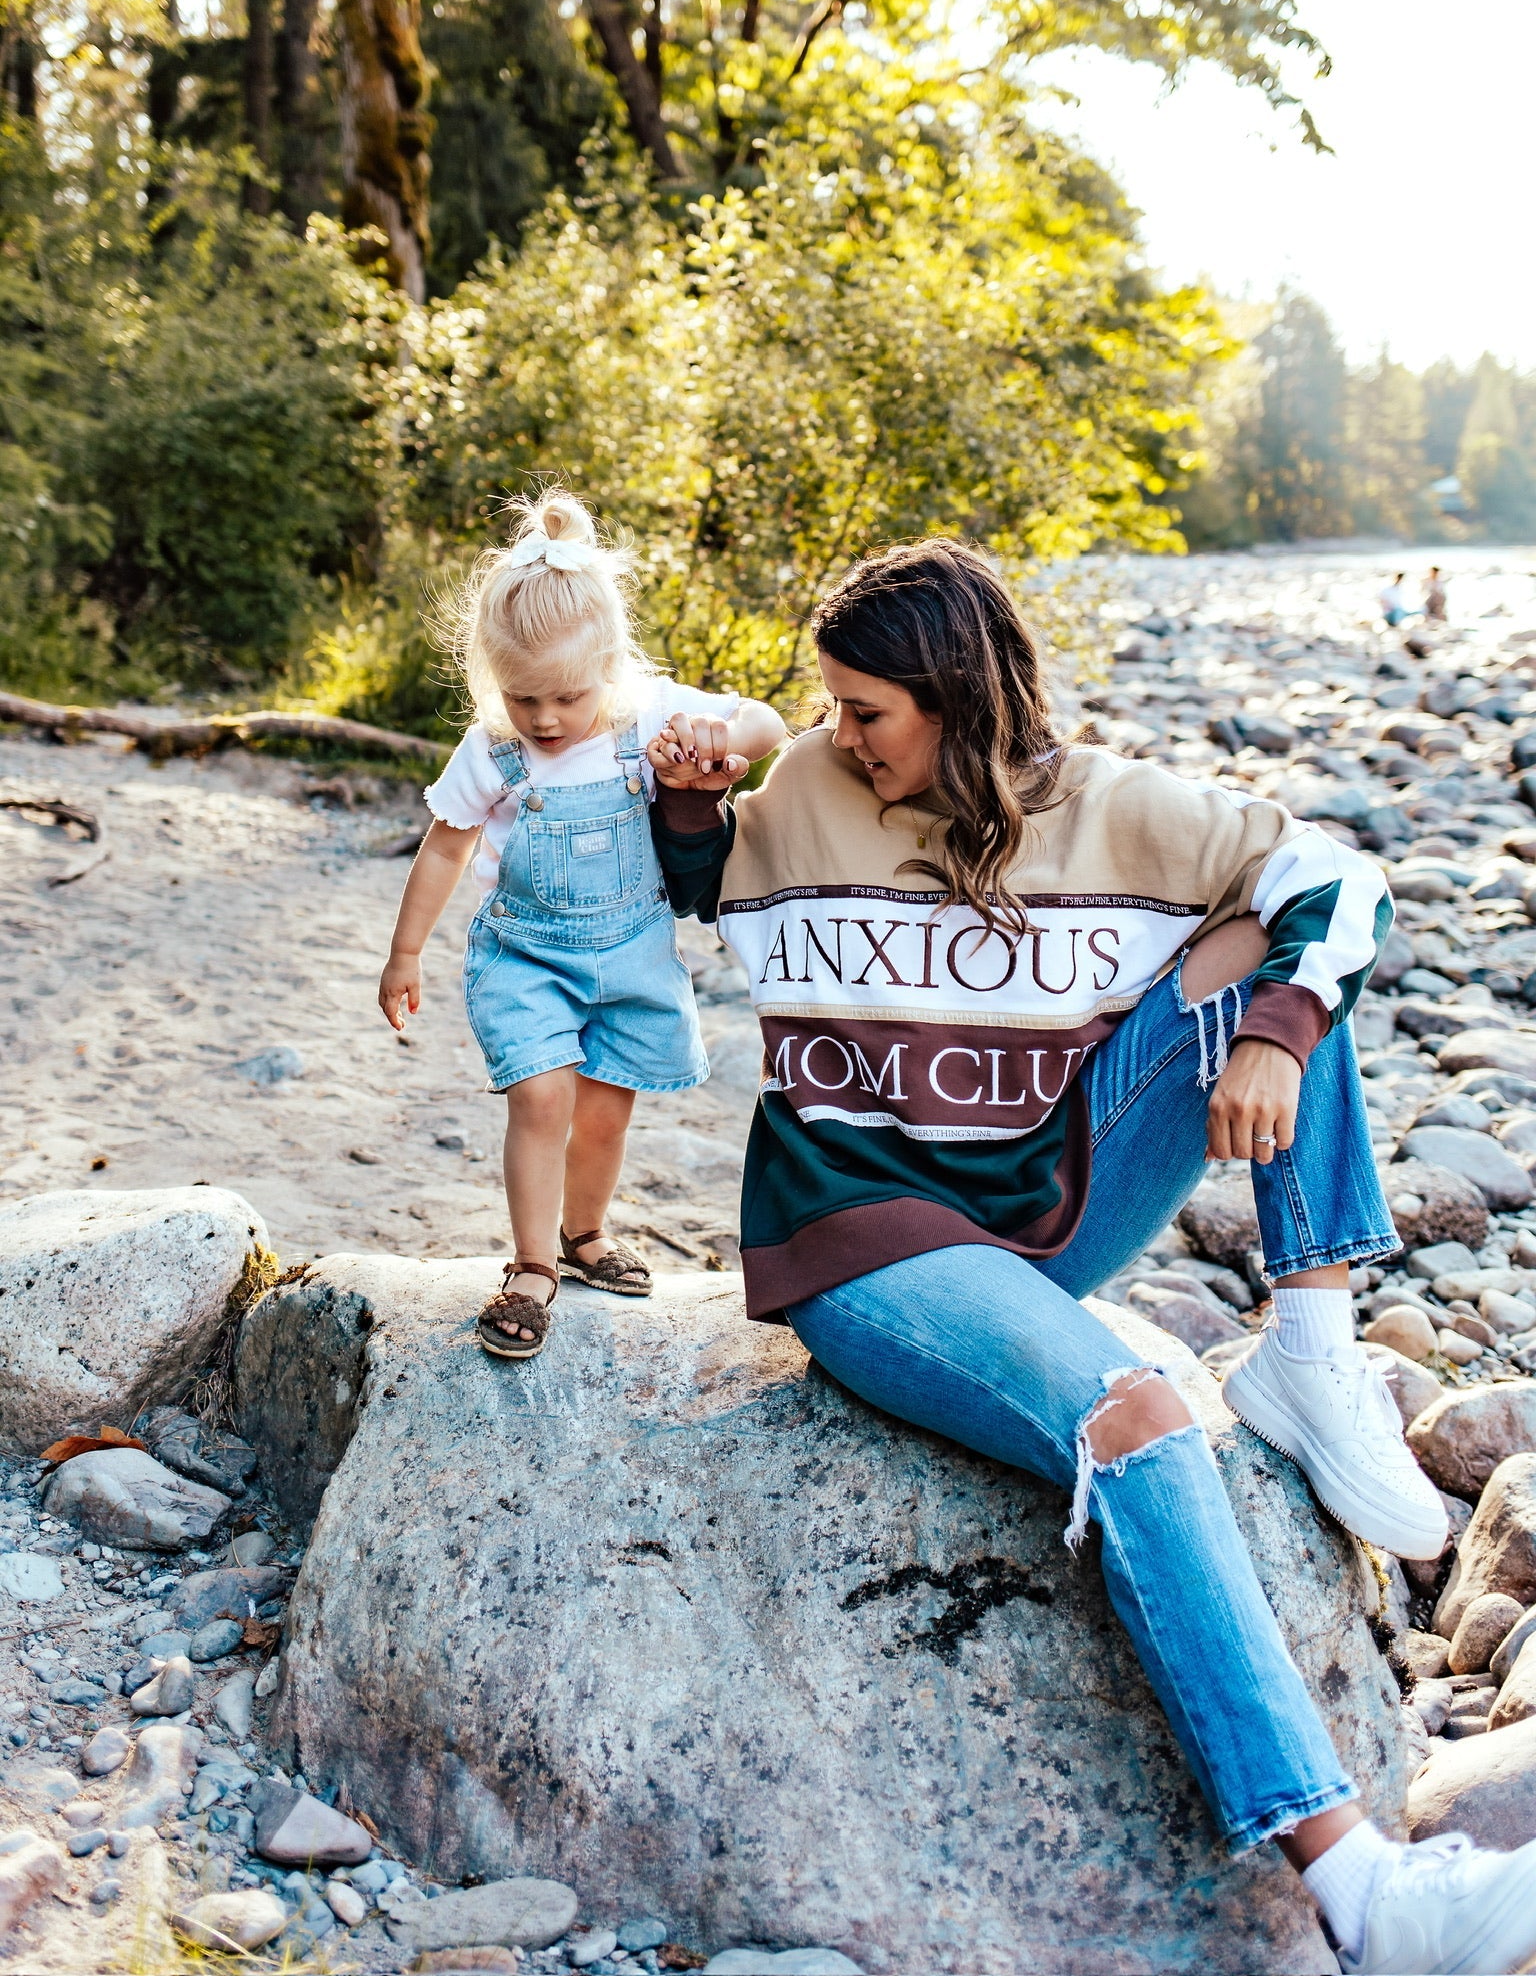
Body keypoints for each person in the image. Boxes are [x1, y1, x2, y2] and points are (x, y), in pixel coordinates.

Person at [646, 539, 1536, 1976]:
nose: (840, 733)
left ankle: (1310, 1353)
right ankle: (1364, 1887)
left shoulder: (1113, 806)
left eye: (868, 710)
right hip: (868, 1242)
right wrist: (703, 775)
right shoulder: (811, 784)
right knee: (1135, 1412)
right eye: (827, 709)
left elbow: (1340, 880)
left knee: (1268, 946)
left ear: (956, 697)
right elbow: (687, 862)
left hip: (1054, 1193)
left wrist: (1272, 1031)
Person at [377, 489, 785, 1362]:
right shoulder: (494, 749)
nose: (547, 719)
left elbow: (769, 723)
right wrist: (405, 951)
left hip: (633, 953)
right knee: (542, 1096)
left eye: (566, 696)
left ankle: (586, 1234)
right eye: (524, 698)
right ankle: (530, 1267)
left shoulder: (648, 719)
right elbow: (444, 849)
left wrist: (723, 734)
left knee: (605, 1113)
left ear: (612, 665)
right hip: (526, 955)